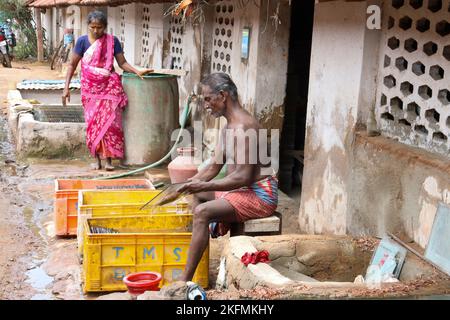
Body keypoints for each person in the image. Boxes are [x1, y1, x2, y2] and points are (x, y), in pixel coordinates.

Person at [176, 72, 278, 282]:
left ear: (222, 96)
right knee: (197, 199)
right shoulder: (229, 126)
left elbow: (243, 177)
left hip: (260, 195)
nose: (205, 105)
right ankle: (200, 270)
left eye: (207, 99)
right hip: (241, 190)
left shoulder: (244, 127)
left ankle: (184, 282)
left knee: (202, 212)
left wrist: (200, 185)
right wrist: (187, 184)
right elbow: (214, 166)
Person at [62, 10, 153, 171]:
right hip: (90, 89)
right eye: (92, 27)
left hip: (109, 87)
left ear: (105, 27)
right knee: (93, 123)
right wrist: (66, 88)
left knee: (111, 123)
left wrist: (137, 71)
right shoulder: (82, 42)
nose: (96, 31)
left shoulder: (112, 41)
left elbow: (122, 63)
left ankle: (109, 161)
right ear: (88, 26)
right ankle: (96, 159)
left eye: (99, 27)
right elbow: (72, 65)